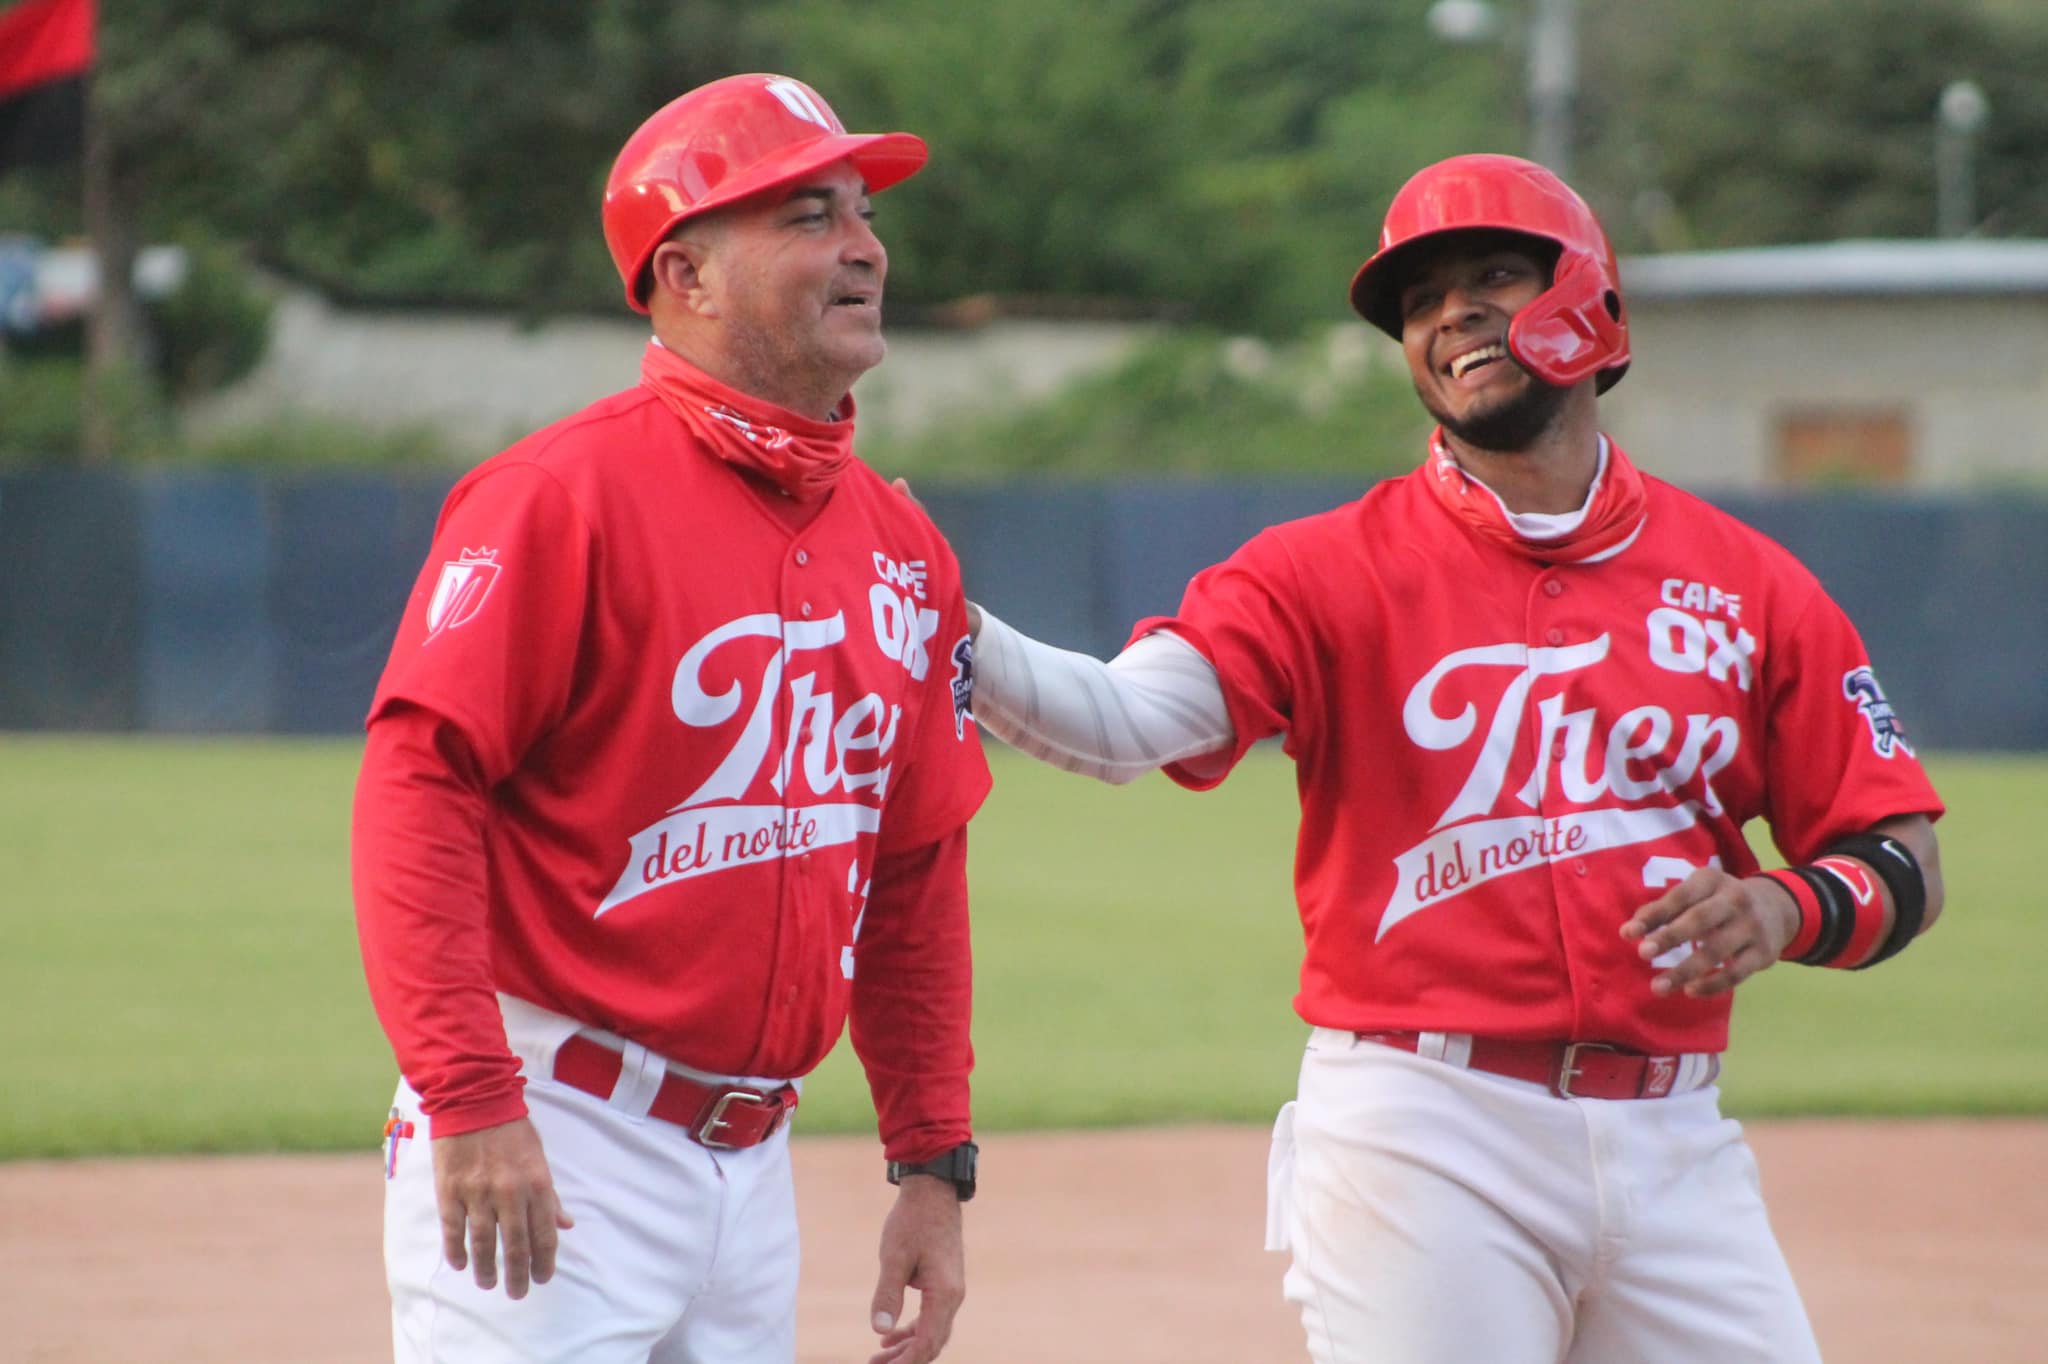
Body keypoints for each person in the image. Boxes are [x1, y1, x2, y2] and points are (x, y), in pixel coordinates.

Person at [964, 153, 1945, 1363]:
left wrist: (1785, 906)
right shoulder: (1319, 569)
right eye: (1419, 301)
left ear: (1592, 297)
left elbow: (1901, 855)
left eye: (1491, 274)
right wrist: (950, 631)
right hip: (1423, 1130)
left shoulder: (1749, 585)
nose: (1449, 315)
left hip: (1673, 1137)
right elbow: (1119, 723)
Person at [351, 73, 988, 1364]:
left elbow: (914, 863)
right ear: (684, 275)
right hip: (553, 1129)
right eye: (808, 214)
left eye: (862, 212)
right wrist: (472, 1100)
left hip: (750, 1176)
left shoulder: (903, 546)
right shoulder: (556, 498)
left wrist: (933, 1161)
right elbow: (417, 790)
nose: (865, 245)